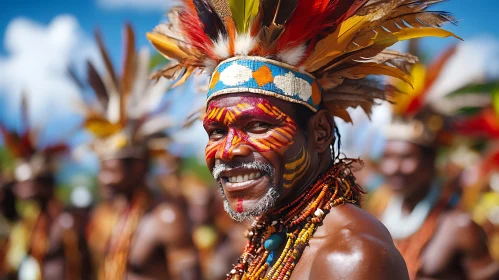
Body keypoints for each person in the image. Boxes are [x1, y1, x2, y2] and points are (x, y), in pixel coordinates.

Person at [146, 0, 457, 278]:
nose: (228, 150)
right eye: (216, 132)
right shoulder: (275, 234)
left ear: (319, 132)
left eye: (256, 124)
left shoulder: (350, 258)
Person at [79, 25, 200, 280]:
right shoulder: (110, 217)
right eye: (101, 169)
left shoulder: (167, 217)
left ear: (139, 166)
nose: (103, 178)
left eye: (111, 170)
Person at [376, 45, 499, 279]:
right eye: (388, 157)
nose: (393, 168)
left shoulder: (460, 227)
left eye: (406, 158)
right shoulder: (376, 216)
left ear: (431, 161)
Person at [0, 96, 91, 280]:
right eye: (18, 183)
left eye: (26, 182)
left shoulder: (67, 223)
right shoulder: (28, 225)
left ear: (44, 184)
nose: (19, 188)